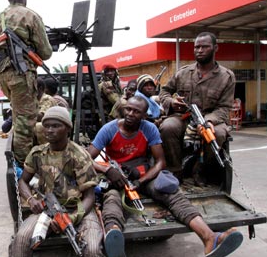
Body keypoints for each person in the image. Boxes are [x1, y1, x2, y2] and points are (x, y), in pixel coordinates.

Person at [87, 96, 243, 257]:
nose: (130, 113)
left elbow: (160, 162)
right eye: (128, 109)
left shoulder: (149, 129)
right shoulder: (109, 129)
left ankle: (210, 238)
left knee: (173, 194)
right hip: (117, 176)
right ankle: (114, 238)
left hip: (142, 174)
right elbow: (85, 158)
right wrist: (107, 171)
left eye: (136, 111)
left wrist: (141, 181)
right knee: (111, 199)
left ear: (144, 116)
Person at [10, 106, 104, 257]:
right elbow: (22, 181)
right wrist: (30, 199)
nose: (49, 130)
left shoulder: (79, 155)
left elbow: (89, 197)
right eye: (46, 126)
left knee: (92, 249)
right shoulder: (37, 153)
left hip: (78, 209)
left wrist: (72, 218)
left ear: (67, 128)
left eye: (55, 126)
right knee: (20, 241)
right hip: (46, 208)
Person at [0, 0, 52, 165]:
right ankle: (23, 170)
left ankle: (23, 159)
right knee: (25, 123)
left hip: (2, 74)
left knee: (19, 117)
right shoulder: (30, 15)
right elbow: (46, 52)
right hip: (20, 73)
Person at [159, 32, 235, 184]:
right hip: (185, 117)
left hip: (210, 118)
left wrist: (209, 121)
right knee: (167, 127)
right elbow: (164, 91)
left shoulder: (226, 76)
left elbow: (225, 107)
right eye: (197, 47)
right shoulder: (183, 73)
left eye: (204, 47)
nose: (199, 50)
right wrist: (172, 102)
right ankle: (176, 170)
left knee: (218, 134)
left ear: (215, 48)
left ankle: (199, 169)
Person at [34, 77, 58, 144]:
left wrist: (25, 111)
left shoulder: (46, 99)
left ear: (40, 88)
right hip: (50, 125)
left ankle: (45, 148)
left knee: (39, 126)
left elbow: (41, 117)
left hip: (55, 125)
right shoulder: (35, 100)